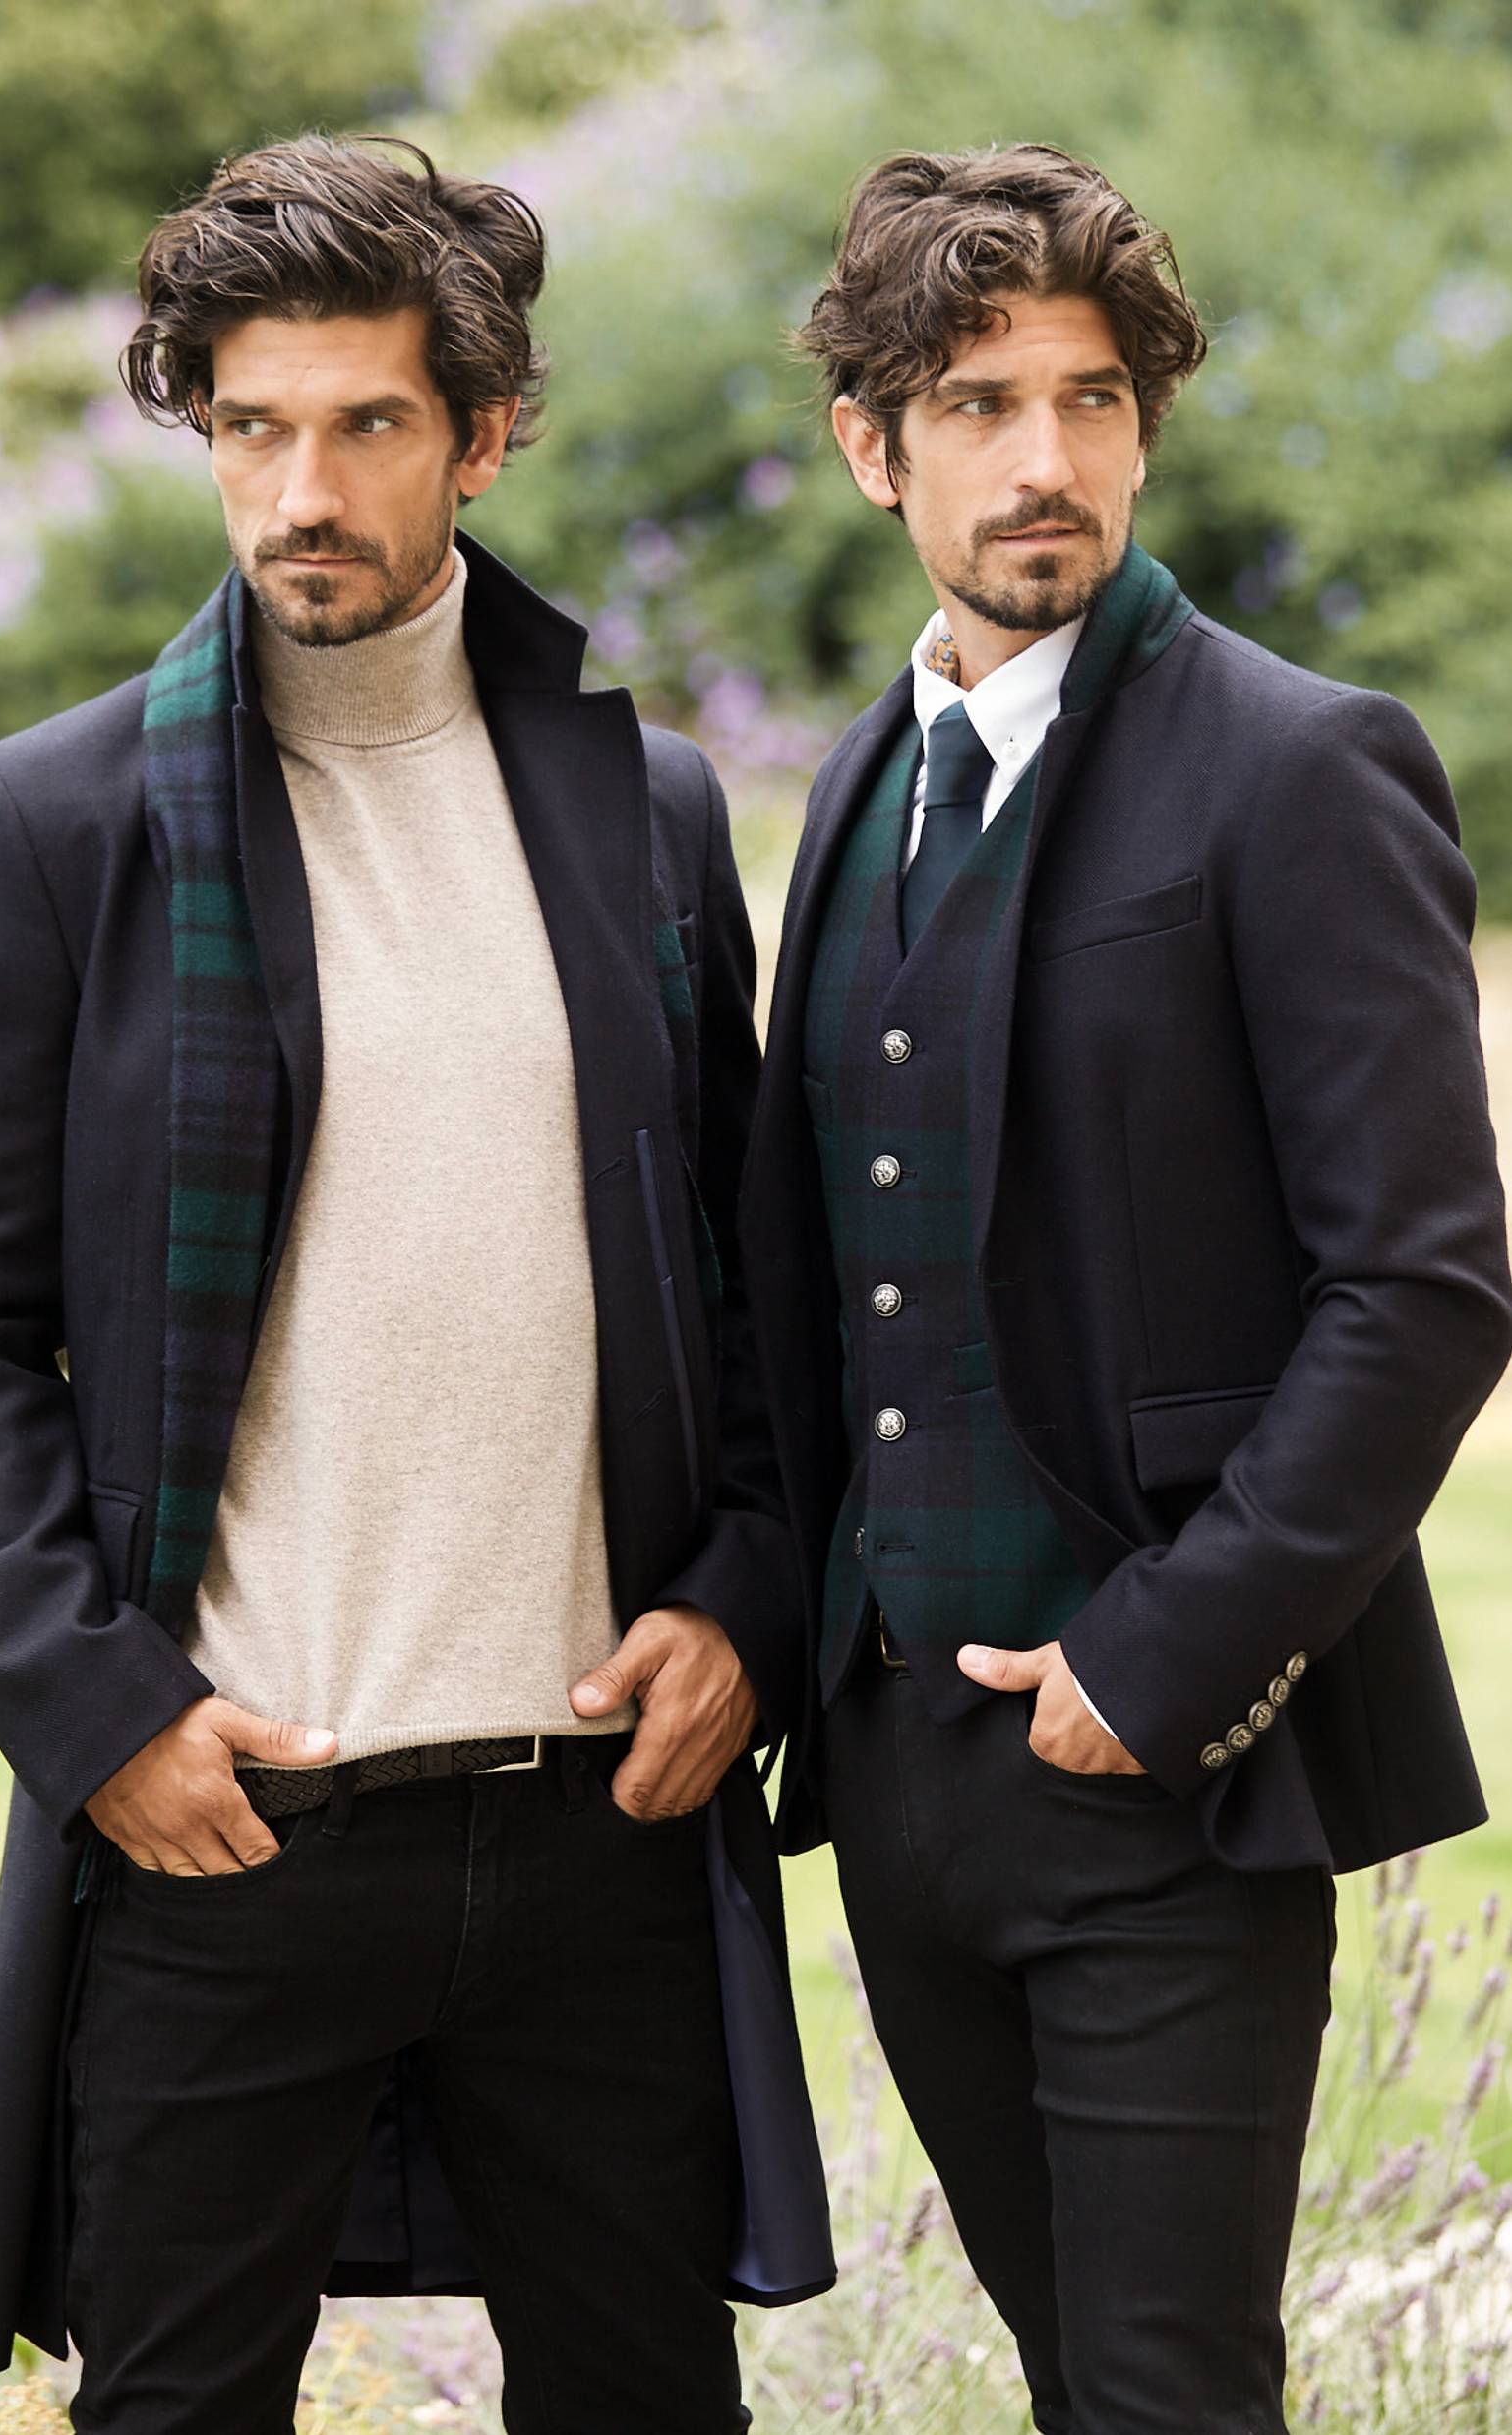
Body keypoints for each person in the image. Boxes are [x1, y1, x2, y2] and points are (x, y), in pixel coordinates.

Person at [0, 132, 832, 2434]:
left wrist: (745, 1590)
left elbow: (747, 1283)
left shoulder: (651, 817)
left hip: (598, 1812)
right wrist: (92, 1700)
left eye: (368, 424)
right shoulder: (55, 826)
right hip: (235, 1823)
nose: (302, 487)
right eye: (250, 425)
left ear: (484, 431)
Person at [738, 141, 1512, 2434]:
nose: (1045, 457)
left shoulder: (1300, 766)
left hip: (1166, 1759)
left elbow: (1430, 1285)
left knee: (1172, 2393)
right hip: (898, 1764)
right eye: (977, 399)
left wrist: (1160, 1656)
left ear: (1148, 416)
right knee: (1075, 2371)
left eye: (1090, 392)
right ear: (875, 445)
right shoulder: (860, 786)